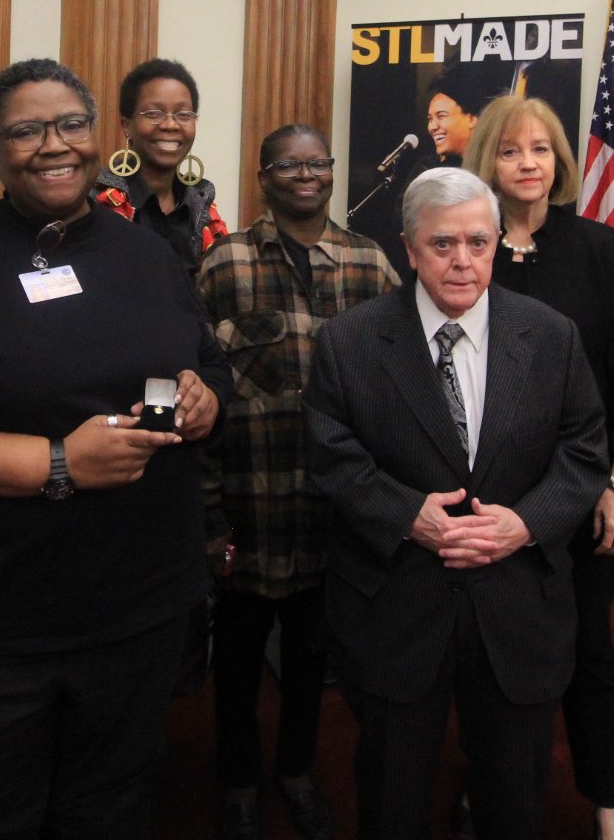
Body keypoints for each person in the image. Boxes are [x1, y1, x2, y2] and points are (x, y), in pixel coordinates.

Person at [0, 57, 234, 839]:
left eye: (70, 125)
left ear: (96, 137)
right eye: (26, 130)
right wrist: (57, 464)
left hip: (136, 611)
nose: (53, 145)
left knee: (109, 808)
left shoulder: (144, 255)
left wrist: (204, 402)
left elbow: (200, 362)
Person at [303, 167, 609, 840]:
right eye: (443, 244)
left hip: (516, 606)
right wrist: (405, 514)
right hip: (397, 607)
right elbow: (331, 454)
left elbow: (585, 450)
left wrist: (525, 524)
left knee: (513, 798)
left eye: (478, 241)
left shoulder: (551, 336)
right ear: (409, 249)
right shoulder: (349, 342)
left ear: (498, 242)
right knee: (392, 795)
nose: (463, 261)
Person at [198, 124, 401, 840]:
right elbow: (199, 393)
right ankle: (239, 780)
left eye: (319, 164)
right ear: (264, 174)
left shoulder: (370, 264)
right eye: (291, 164)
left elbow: (402, 386)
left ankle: (295, 769)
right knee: (239, 662)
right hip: (249, 505)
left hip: (334, 515)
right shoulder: (223, 262)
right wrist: (209, 516)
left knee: (314, 661)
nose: (307, 175)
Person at [465, 96, 614, 840]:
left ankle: (607, 802)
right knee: (491, 654)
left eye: (541, 149)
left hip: (578, 492)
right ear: (487, 161)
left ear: (561, 161)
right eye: (511, 151)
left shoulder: (601, 249)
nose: (528, 164)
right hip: (488, 492)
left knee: (588, 648)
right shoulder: (465, 245)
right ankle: (492, 786)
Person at [93, 56, 229, 273]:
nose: (170, 125)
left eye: (183, 114)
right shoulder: (95, 201)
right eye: (154, 114)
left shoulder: (201, 201)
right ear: (126, 125)